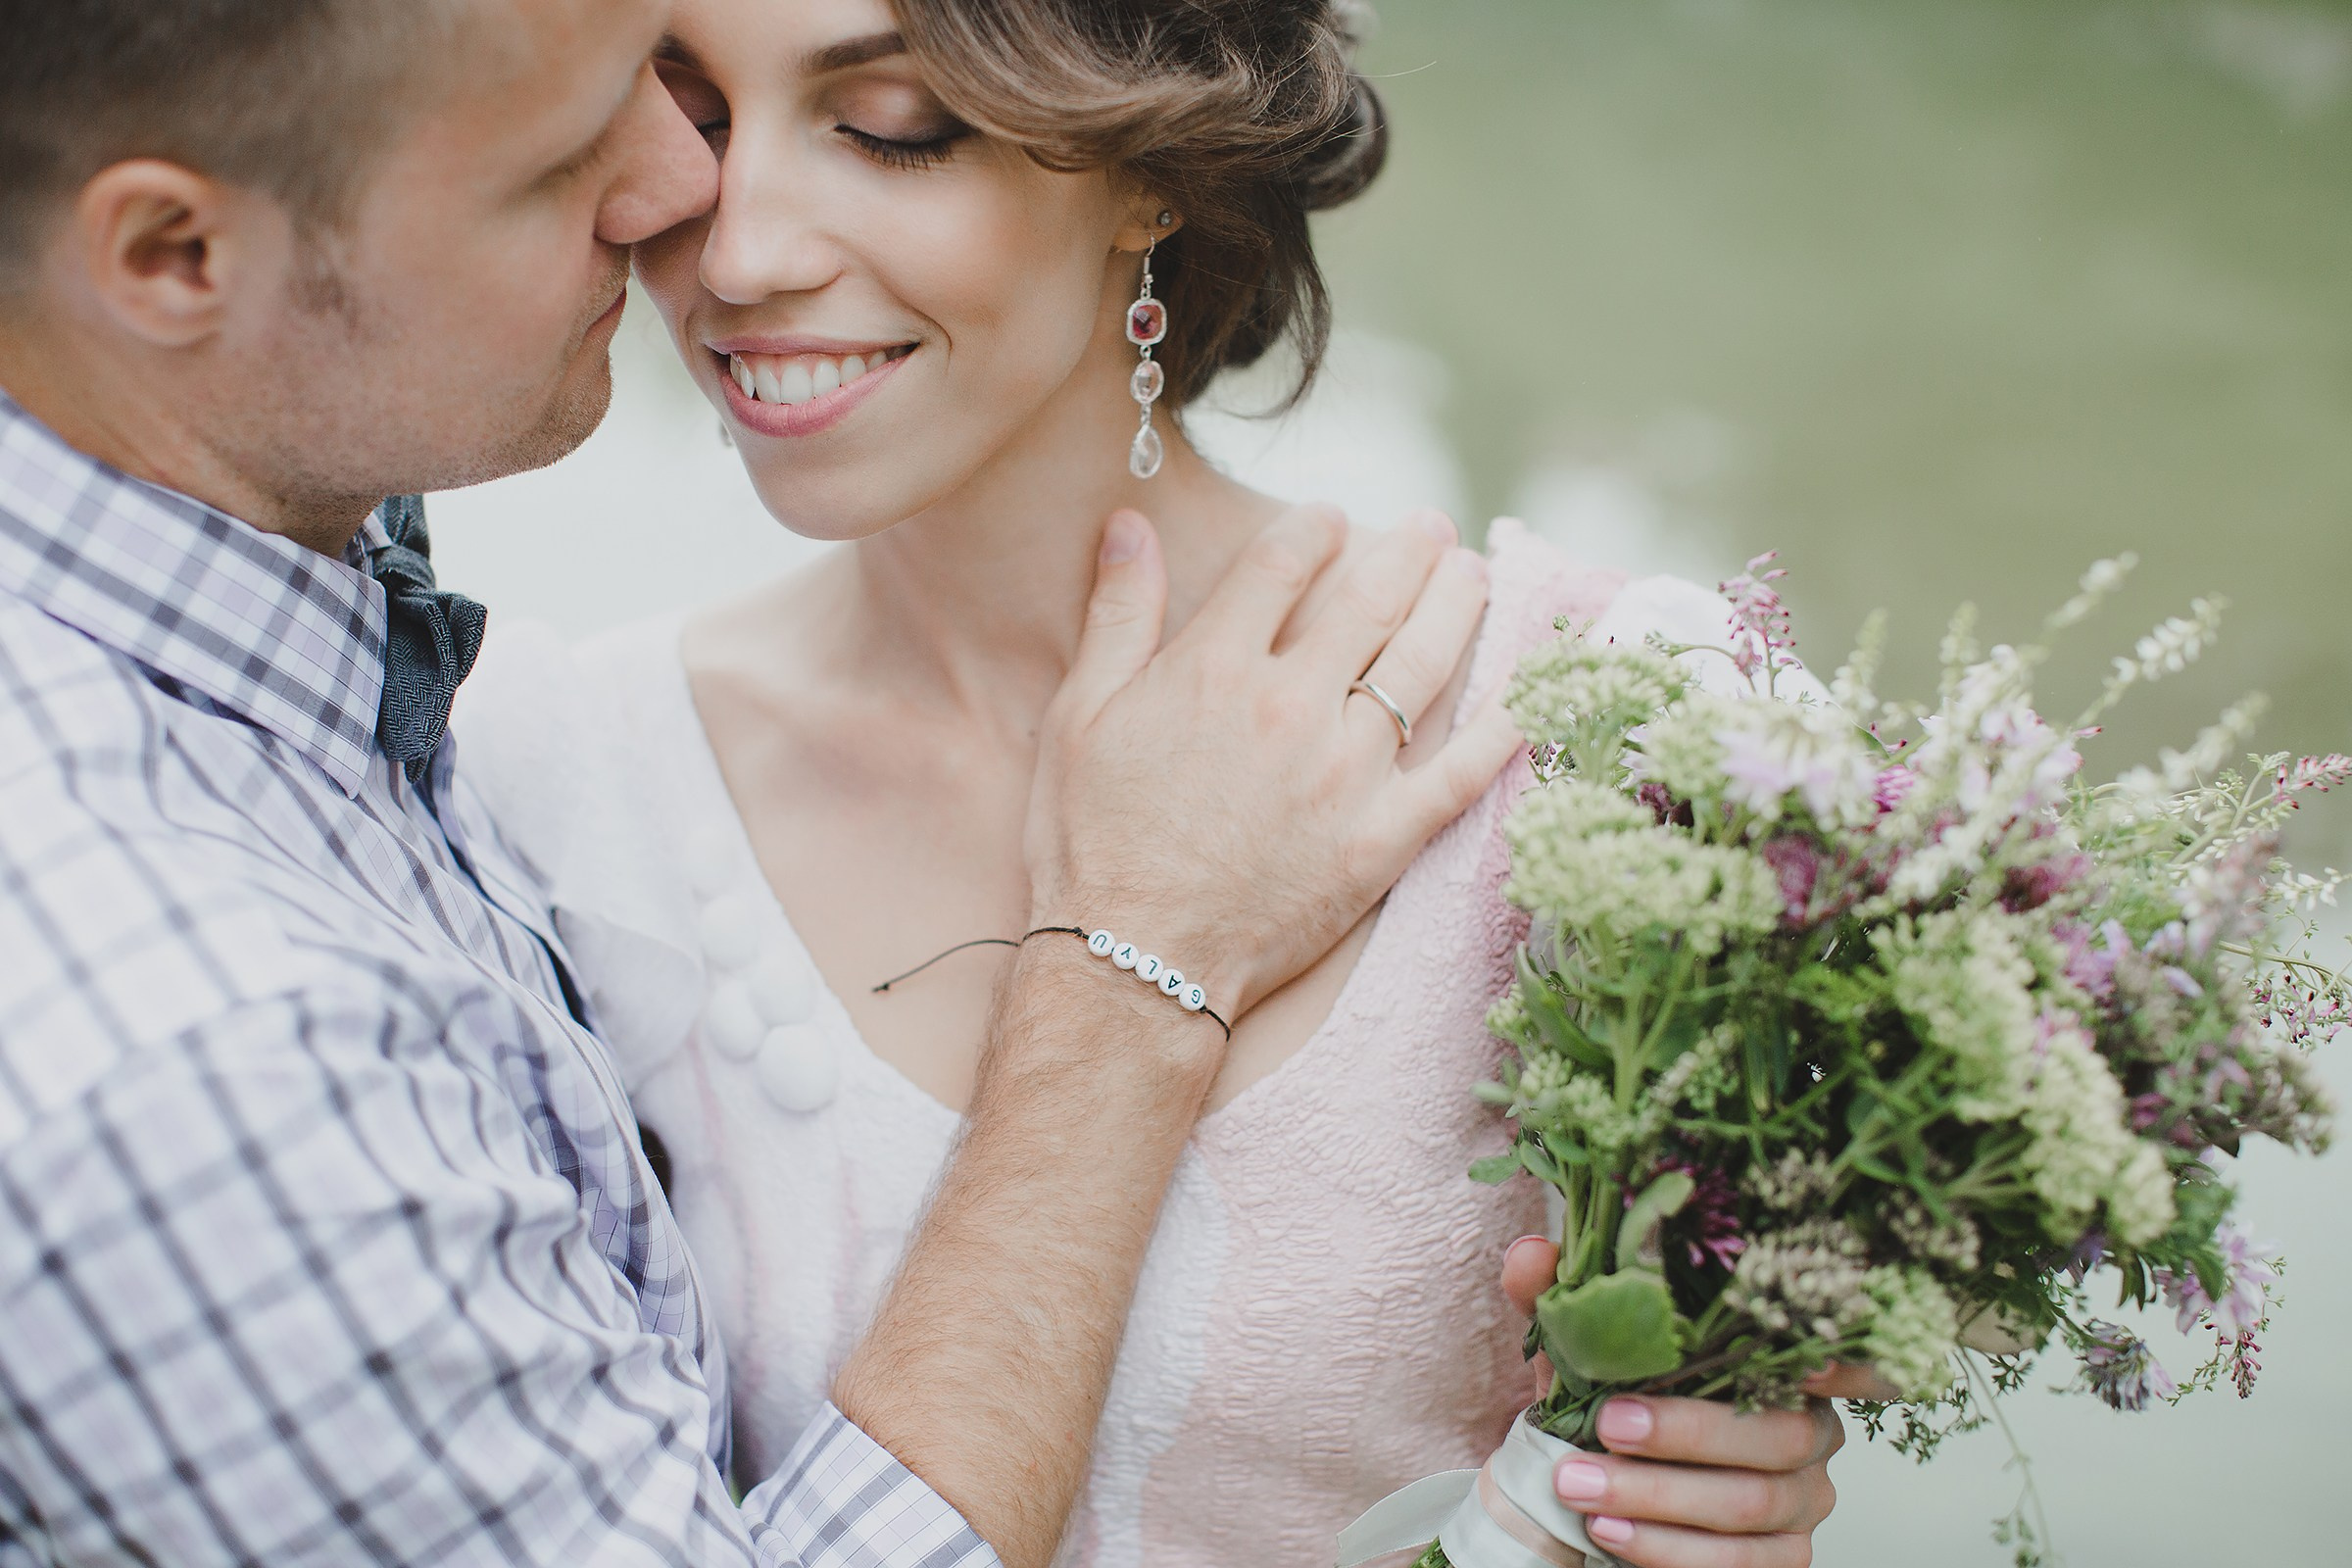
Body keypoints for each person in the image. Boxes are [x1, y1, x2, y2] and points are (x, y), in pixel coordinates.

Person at [0, 2, 1525, 1565]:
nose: (705, 226)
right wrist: (1133, 967)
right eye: (650, 117)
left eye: (887, 124)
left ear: (1157, 164)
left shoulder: (1592, 728)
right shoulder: (279, 964)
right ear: (177, 259)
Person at [454, 2, 1866, 1566]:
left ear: (1154, 166)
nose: (737, 256)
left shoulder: (1626, 730)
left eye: (893, 124)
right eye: (697, 120)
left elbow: (1789, 1364)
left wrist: (1696, 1484)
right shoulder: (545, 780)